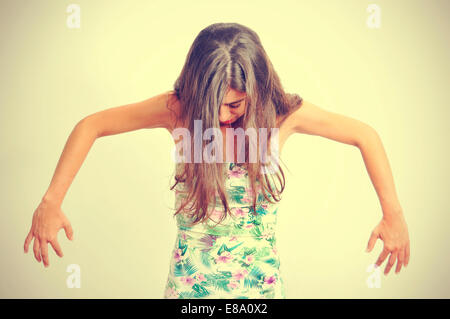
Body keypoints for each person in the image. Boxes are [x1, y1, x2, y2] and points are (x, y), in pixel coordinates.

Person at [23, 22, 410, 298]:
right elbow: (91, 125)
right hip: (189, 290)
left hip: (261, 291)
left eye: (235, 105)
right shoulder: (177, 110)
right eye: (216, 105)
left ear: (255, 89)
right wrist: (51, 201)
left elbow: (366, 136)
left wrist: (393, 213)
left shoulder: (281, 115)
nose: (224, 115)